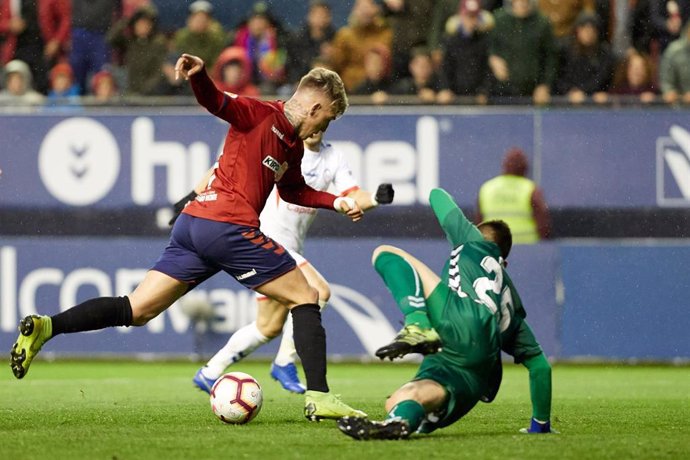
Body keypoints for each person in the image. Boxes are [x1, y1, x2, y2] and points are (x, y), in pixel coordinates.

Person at [10, 52, 367, 422]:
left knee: (136, 309)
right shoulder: (259, 113)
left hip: (195, 225)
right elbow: (215, 101)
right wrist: (199, 76)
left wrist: (335, 201)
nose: (325, 127)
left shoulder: (290, 145)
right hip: (229, 228)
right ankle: (320, 396)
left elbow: (295, 192)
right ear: (316, 107)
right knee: (306, 296)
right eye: (328, 117)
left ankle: (47, 326)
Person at [336, 188, 555, 440]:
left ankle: (417, 324)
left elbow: (436, 195)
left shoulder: (472, 240)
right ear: (505, 261)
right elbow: (540, 367)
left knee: (385, 253)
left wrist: (463, 226)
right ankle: (399, 421)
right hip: (476, 367)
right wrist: (540, 425)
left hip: (458, 318)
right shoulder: (510, 303)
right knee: (402, 398)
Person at [189, 131, 394, 394]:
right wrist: (190, 196)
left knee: (268, 326)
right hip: (266, 239)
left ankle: (210, 371)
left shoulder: (333, 157)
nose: (317, 127)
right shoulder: (282, 147)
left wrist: (376, 198)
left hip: (290, 247)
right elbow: (222, 165)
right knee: (318, 292)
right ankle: (285, 362)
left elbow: (353, 194)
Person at [477, 148, 551, 244]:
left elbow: (478, 224)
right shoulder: (531, 189)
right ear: (525, 168)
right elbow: (543, 226)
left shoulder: (487, 189)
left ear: (504, 166)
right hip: (527, 251)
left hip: (495, 251)